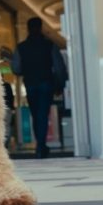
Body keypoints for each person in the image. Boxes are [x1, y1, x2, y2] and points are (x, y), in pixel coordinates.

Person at [11, 17, 68, 158]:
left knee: (36, 114)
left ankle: (40, 144)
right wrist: (60, 84)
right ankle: (41, 146)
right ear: (40, 27)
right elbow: (59, 67)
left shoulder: (21, 47)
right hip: (45, 83)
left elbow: (16, 68)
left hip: (30, 84)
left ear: (28, 29)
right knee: (42, 113)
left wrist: (26, 69)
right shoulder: (49, 45)